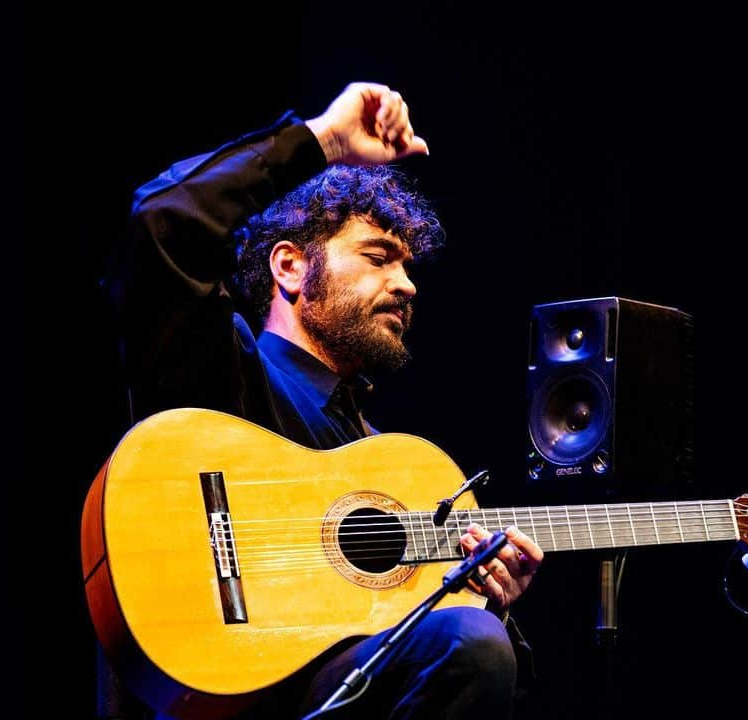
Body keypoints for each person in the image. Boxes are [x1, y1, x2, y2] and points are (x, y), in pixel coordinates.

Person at [104, 82, 543, 719]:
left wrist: (484, 600)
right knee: (471, 643)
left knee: (476, 639)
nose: (407, 284)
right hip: (220, 685)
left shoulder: (377, 460)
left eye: (408, 265)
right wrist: (323, 141)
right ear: (289, 268)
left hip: (327, 682)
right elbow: (161, 225)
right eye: (379, 257)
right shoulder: (226, 374)